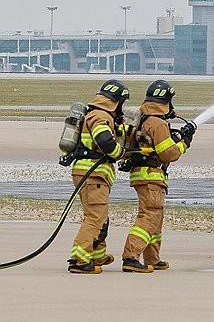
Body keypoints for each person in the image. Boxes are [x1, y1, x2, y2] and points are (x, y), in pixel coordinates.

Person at [119, 79, 195, 274]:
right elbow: (168, 154)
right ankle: (131, 256)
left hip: (143, 174)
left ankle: (152, 258)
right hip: (151, 176)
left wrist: (176, 137)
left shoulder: (144, 119)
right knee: (149, 215)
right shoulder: (157, 123)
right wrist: (184, 143)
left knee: (156, 217)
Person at [67, 79, 131, 274]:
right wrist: (120, 152)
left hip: (89, 174)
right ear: (116, 101)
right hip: (93, 175)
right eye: (122, 103)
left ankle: (96, 256)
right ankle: (79, 260)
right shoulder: (101, 116)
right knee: (94, 218)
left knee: (101, 218)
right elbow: (105, 141)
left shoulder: (94, 113)